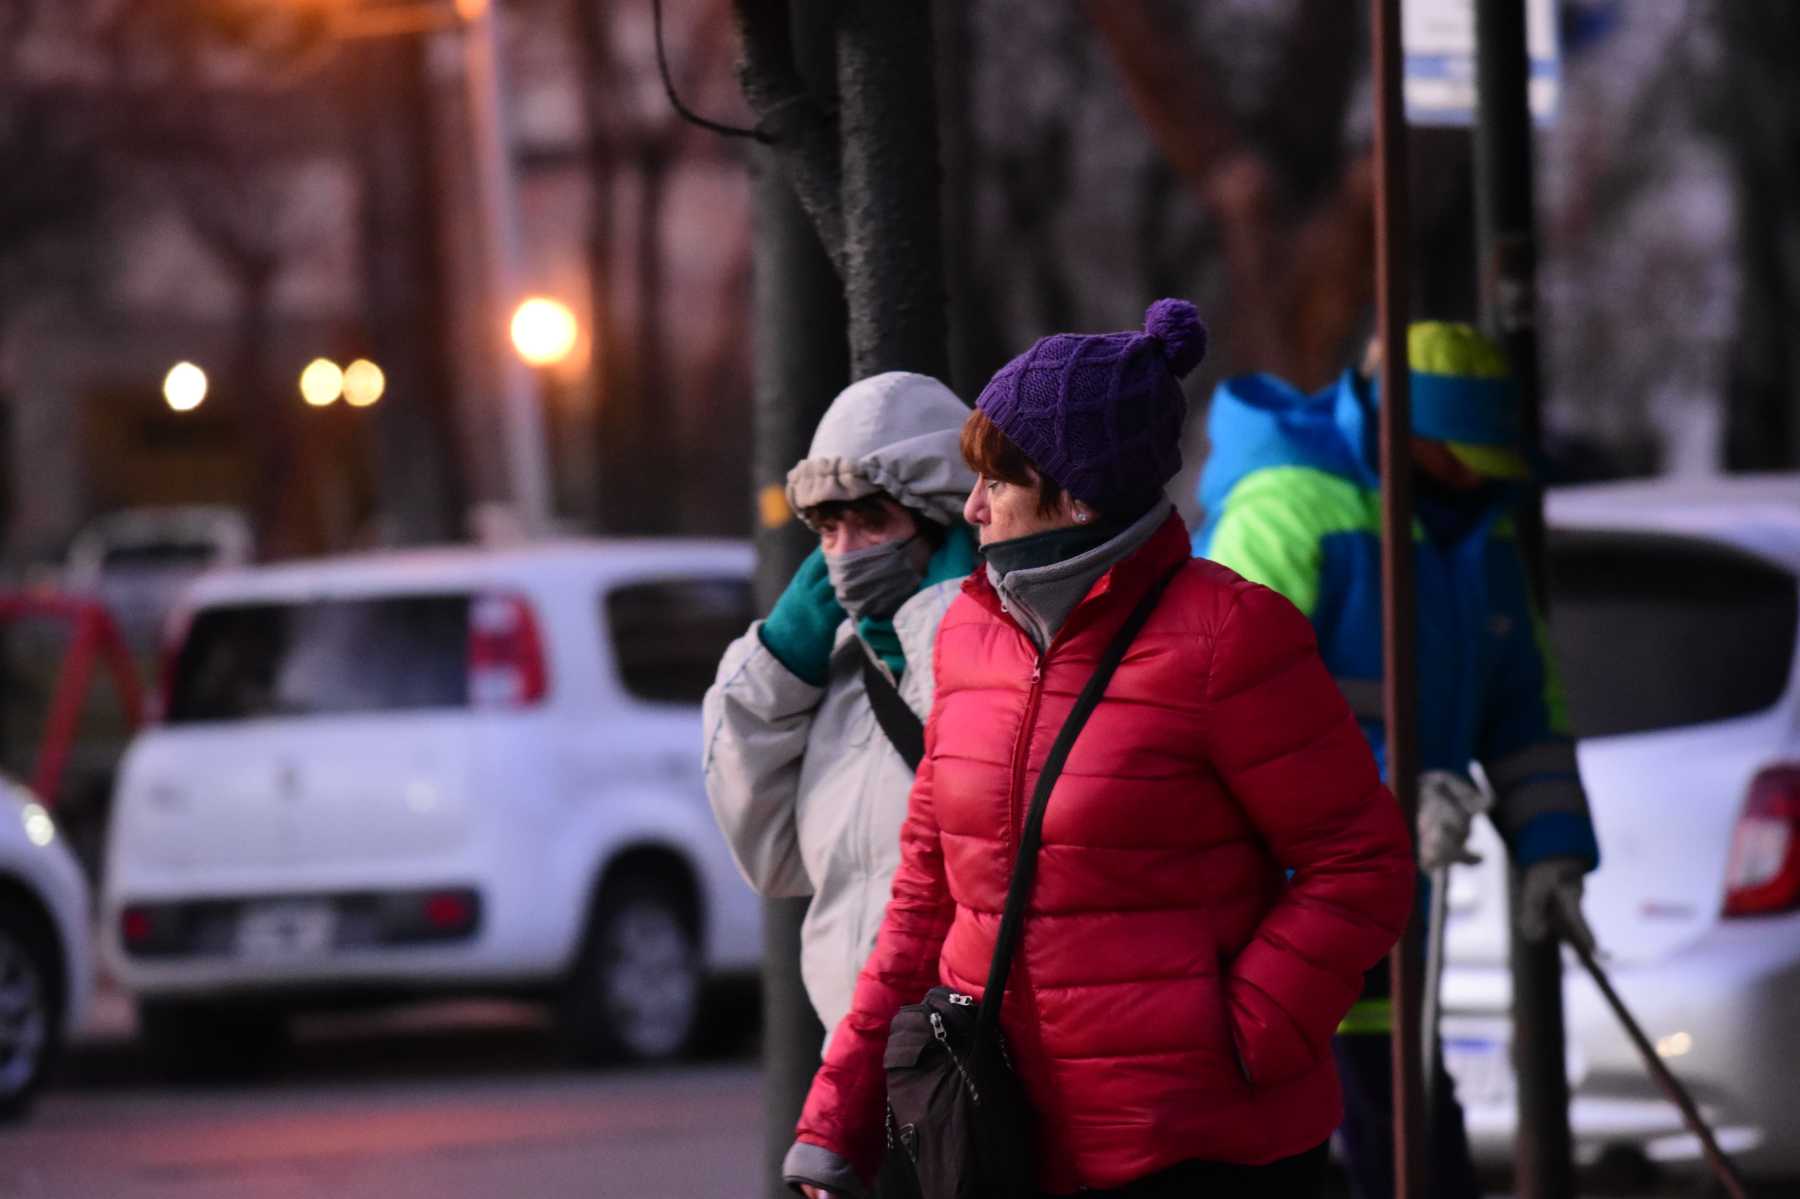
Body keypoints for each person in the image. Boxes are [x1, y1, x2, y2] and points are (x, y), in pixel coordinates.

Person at [782, 300, 1417, 1199]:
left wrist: (1243, 1032)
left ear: (1074, 493)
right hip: (1012, 1140)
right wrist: (835, 1118)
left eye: (995, 484)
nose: (971, 510)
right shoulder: (968, 632)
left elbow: (1362, 862)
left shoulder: (1229, 635)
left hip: (1202, 1150)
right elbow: (926, 896)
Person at [1193, 322, 1602, 1199]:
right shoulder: (1289, 507)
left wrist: (1554, 842)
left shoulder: (1476, 534)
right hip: (1275, 903)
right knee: (1305, 1129)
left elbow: (1524, 707)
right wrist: (1389, 792)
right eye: (1465, 454)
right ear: (1412, 434)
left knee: (1407, 1116)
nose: (1479, 475)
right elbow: (1223, 708)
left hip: (1384, 896)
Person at [704, 370, 977, 1041]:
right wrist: (777, 665)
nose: (844, 553)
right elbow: (772, 859)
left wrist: (948, 621)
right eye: (828, 526)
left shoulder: (1018, 653)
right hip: (858, 1070)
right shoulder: (834, 675)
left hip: (974, 1077)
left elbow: (985, 786)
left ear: (941, 524)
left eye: (873, 520)